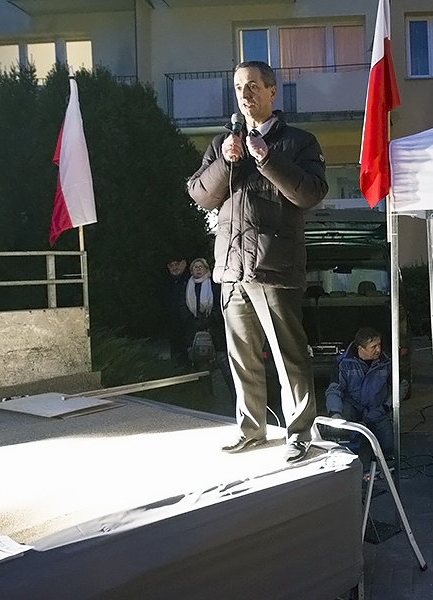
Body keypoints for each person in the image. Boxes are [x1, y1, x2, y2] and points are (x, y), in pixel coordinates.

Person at [187, 60, 328, 461]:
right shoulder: (222, 143)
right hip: (232, 269)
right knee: (242, 358)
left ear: (271, 92)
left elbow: (310, 193)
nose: (245, 94)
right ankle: (251, 430)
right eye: (238, 87)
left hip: (274, 268)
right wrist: (224, 163)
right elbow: (199, 194)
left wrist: (266, 158)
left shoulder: (299, 142)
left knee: (289, 357)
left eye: (252, 86)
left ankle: (299, 432)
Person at [325, 327, 407, 465]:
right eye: (373, 346)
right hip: (352, 410)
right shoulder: (343, 363)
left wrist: (387, 406)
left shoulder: (387, 362)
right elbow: (334, 390)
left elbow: (402, 386)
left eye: (379, 345)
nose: (378, 350)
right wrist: (335, 413)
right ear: (360, 348)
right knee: (347, 449)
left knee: (389, 448)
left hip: (377, 411)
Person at [182, 258, 234, 407]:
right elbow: (182, 307)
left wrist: (210, 319)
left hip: (216, 334)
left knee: (227, 371)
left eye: (201, 267)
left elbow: (221, 305)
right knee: (203, 373)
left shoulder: (215, 286)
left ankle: (235, 401)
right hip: (196, 335)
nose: (198, 269)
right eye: (195, 267)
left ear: (206, 269)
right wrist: (193, 321)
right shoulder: (188, 286)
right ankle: (209, 405)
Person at [163, 255, 189, 365]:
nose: (174, 268)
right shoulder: (167, 283)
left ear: (184, 263)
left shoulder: (191, 280)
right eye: (171, 265)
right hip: (173, 326)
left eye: (177, 264)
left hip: (189, 324)